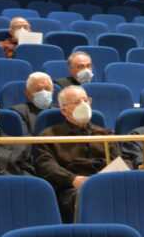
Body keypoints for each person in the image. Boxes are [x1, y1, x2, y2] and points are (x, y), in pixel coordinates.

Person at [34, 86, 112, 222]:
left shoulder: (106, 134)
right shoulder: (49, 136)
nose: (84, 105)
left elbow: (120, 159)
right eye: (77, 102)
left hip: (106, 183)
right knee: (86, 196)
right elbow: (46, 166)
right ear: (64, 110)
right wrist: (72, 179)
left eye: (86, 100)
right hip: (70, 188)